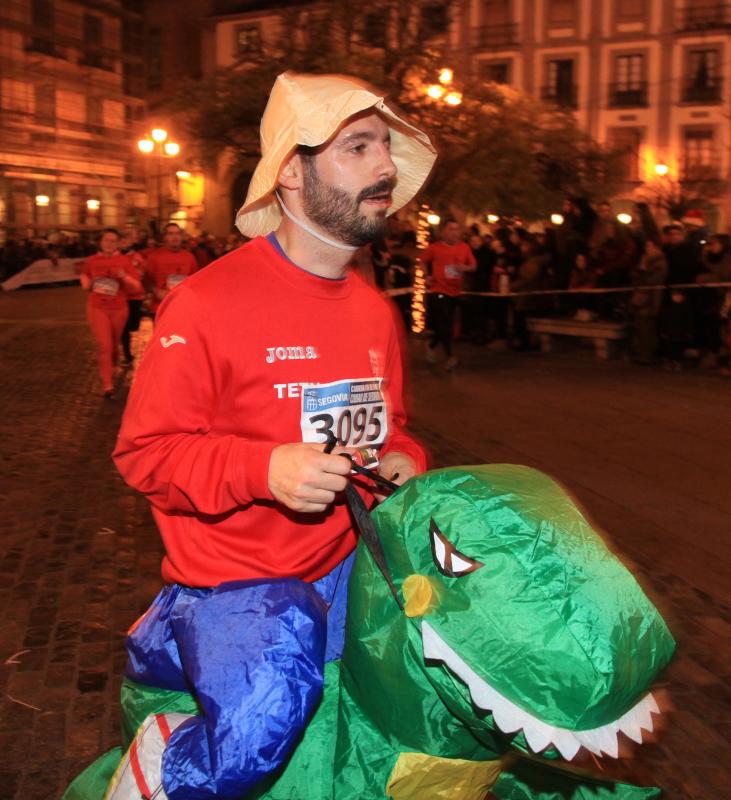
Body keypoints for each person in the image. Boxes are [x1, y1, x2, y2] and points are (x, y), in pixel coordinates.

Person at [105, 71, 435, 799]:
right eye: (358, 147)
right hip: (236, 585)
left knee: (436, 687)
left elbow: (396, 430)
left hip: (351, 562)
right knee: (258, 727)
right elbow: (144, 453)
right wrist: (265, 469)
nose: (384, 168)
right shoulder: (206, 301)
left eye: (384, 147)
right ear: (291, 171)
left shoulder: (374, 312)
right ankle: (144, 774)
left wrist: (404, 459)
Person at [79, 228, 142, 397]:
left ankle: (112, 365)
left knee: (114, 346)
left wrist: (123, 276)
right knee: (105, 346)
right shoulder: (92, 261)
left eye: (113, 241)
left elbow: (137, 286)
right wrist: (88, 283)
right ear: (100, 242)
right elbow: (84, 275)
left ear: (118, 243)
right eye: (106, 240)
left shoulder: (125, 261)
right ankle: (108, 385)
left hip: (119, 309)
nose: (109, 243)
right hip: (97, 308)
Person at [422, 218, 476, 369]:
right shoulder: (435, 248)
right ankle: (450, 356)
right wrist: (427, 276)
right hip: (438, 290)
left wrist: (463, 268)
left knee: (446, 324)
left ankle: (432, 346)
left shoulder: (464, 247)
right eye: (451, 229)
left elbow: (473, 266)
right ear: (443, 232)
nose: (455, 233)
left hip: (455, 291)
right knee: (444, 322)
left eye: (457, 229)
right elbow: (422, 260)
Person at [144, 222, 199, 316]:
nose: (175, 237)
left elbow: (195, 281)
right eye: (171, 234)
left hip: (183, 306)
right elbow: (146, 280)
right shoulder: (154, 257)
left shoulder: (189, 257)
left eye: (177, 233)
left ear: (182, 236)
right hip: (161, 306)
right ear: (164, 237)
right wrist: (156, 291)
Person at [629, 239, 667, 365]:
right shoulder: (646, 261)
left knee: (647, 328)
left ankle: (647, 355)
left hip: (650, 299)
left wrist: (643, 270)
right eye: (646, 246)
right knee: (640, 327)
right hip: (641, 298)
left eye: (650, 246)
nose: (647, 249)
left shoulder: (660, 263)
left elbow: (652, 281)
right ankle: (641, 353)